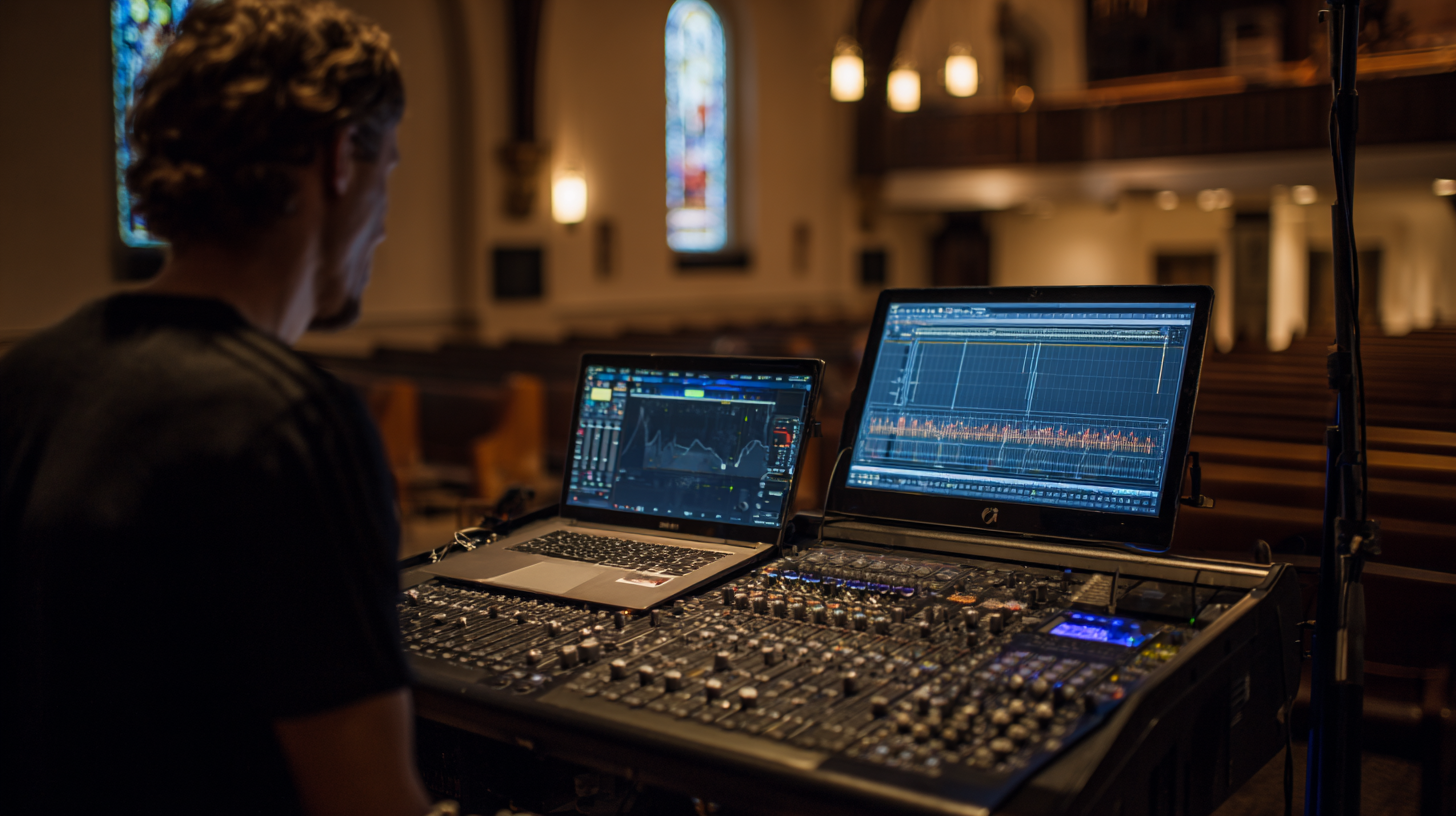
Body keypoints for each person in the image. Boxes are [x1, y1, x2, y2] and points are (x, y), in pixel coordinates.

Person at [0, 2, 432, 814]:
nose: (382, 223)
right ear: (341, 159)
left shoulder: (32, 376)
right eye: (390, 170)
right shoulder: (289, 424)